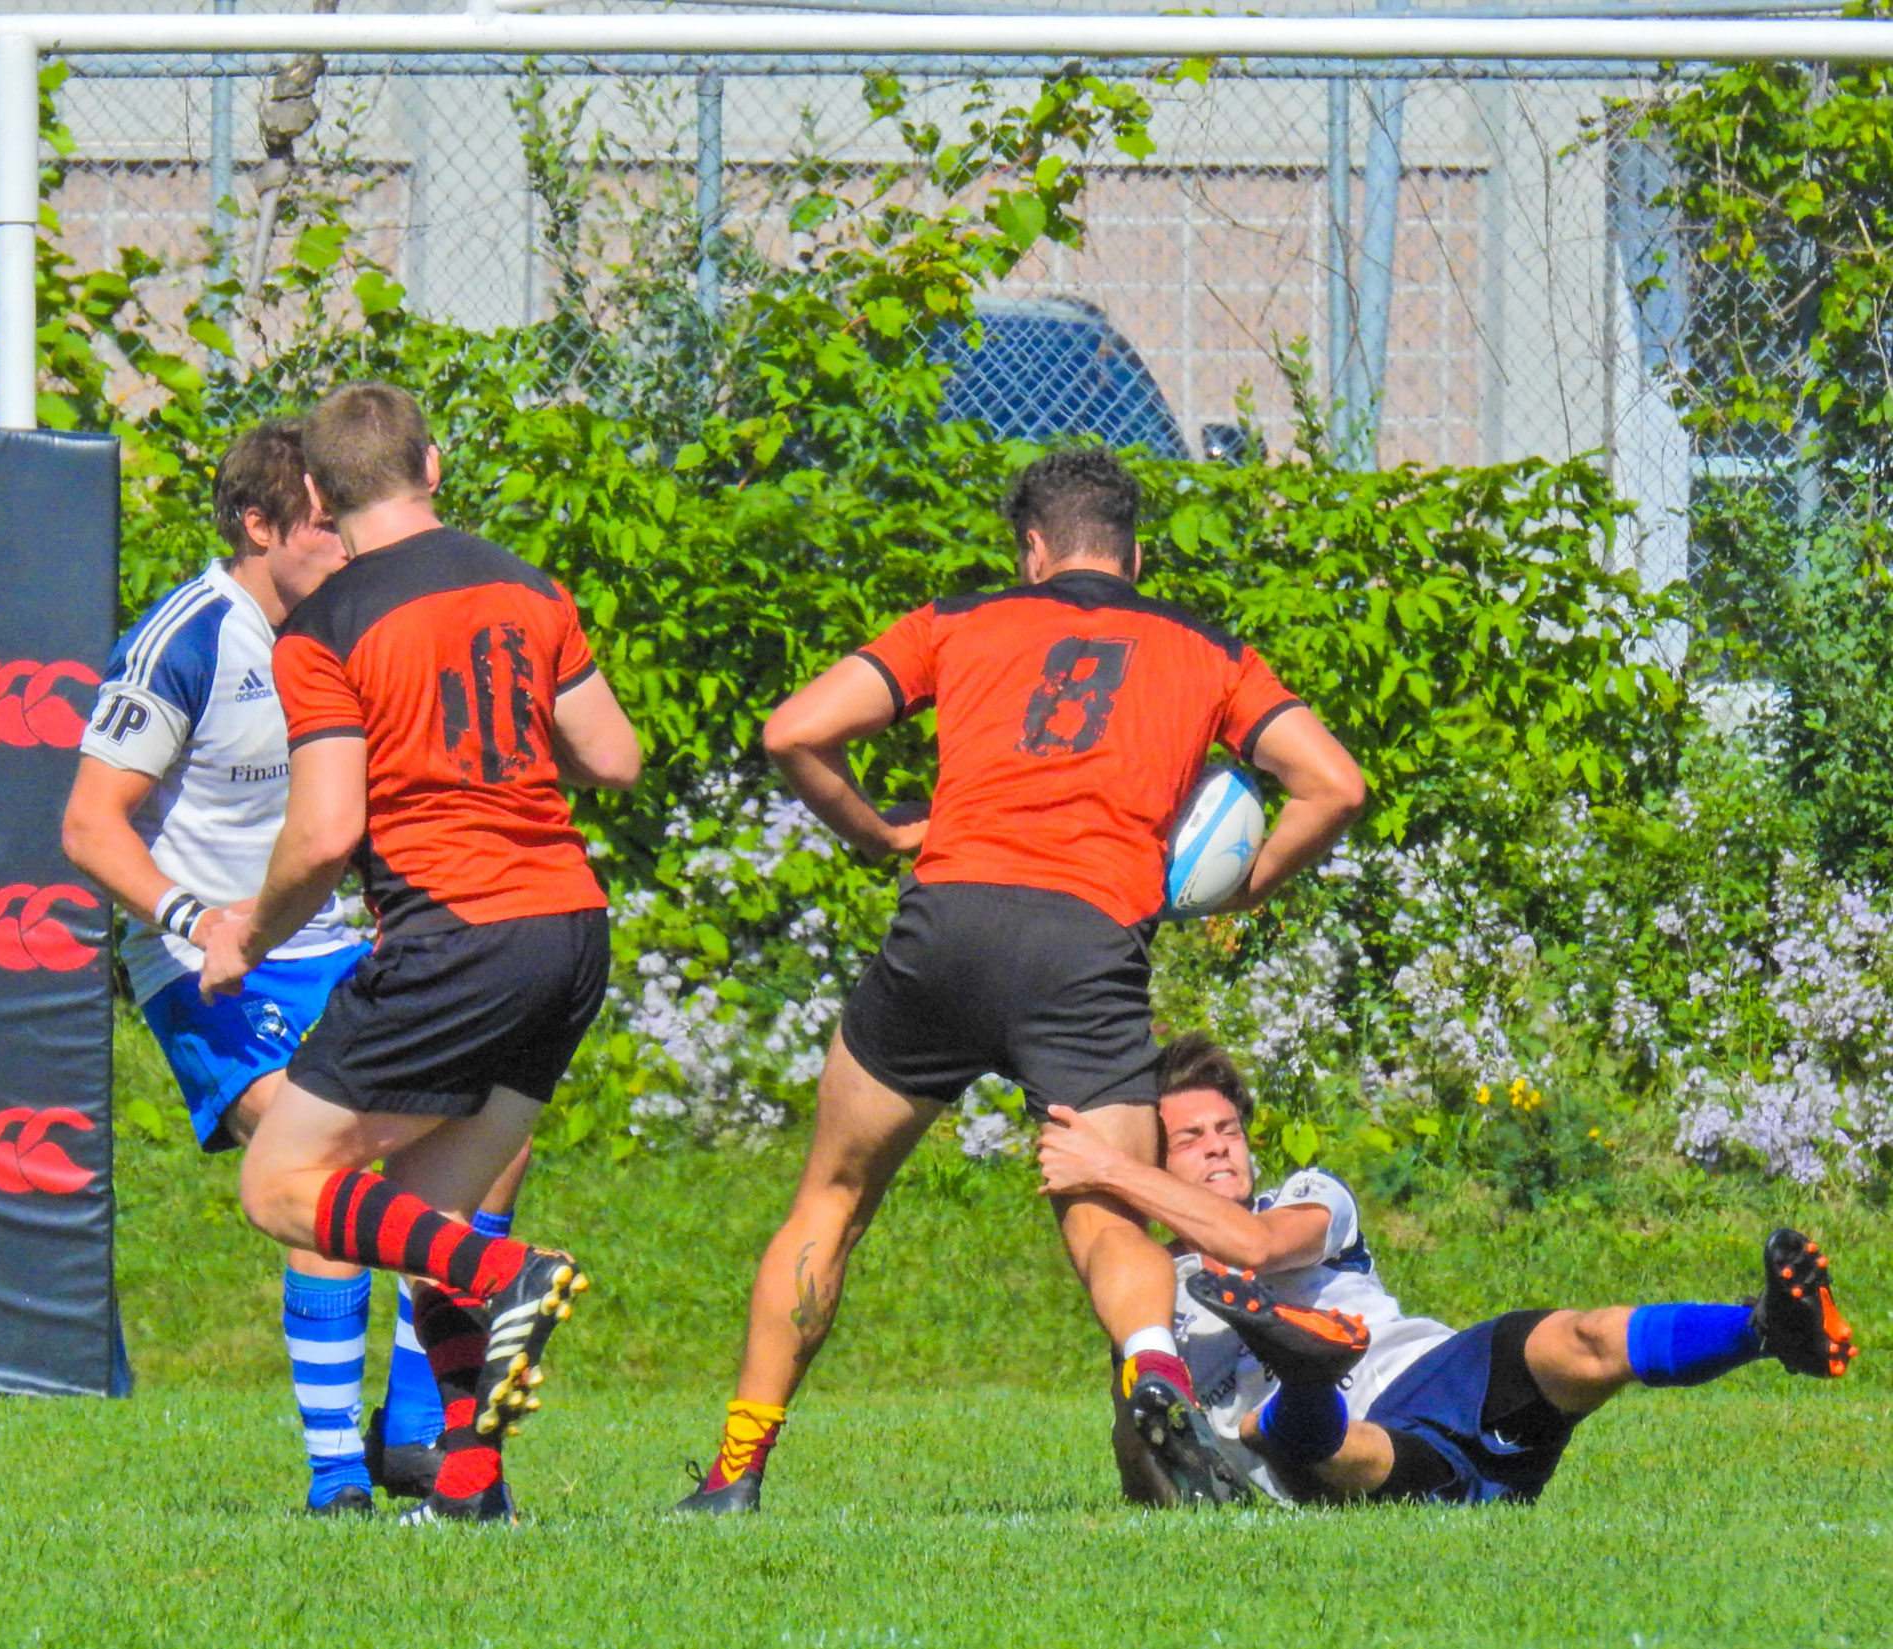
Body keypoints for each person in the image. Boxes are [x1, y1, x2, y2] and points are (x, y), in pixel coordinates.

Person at [677, 447, 1368, 1513]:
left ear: (1030, 550)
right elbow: (1333, 783)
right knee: (1105, 1218)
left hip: (944, 925)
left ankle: (734, 1471)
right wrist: (1243, 888)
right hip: (1084, 947)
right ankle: (1154, 1366)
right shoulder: (1208, 649)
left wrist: (875, 831)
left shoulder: (959, 620)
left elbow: (793, 729)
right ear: (1134, 555)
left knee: (833, 1195)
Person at [63, 419, 527, 1516]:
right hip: (210, 965)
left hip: (342, 947)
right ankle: (334, 1482)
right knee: (329, 1169)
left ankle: (416, 1434)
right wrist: (201, 919)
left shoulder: (359, 618)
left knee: (481, 1151)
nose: (349, 540)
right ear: (260, 525)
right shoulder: (188, 636)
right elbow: (89, 825)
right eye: (324, 525)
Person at [197, 382, 641, 1526]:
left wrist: (248, 931)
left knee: (281, 1183)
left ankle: (513, 1278)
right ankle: (470, 1492)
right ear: (433, 465)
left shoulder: (324, 627)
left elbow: (328, 828)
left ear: (317, 496)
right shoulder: (530, 585)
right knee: (426, 1216)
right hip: (568, 931)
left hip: (457, 928)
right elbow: (613, 754)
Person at [1036, 1032, 1860, 1508]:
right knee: (1283, 1432)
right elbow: (1147, 1458)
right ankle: (1307, 1372)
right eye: (1190, 1136)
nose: (1219, 1142)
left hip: (1426, 1364)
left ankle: (1765, 1330)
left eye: (1228, 1127)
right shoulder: (1150, 1296)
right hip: (1351, 1455)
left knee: (1579, 1337)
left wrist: (1103, 1168)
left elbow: (1255, 1248)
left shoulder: (1308, 1194)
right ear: (1155, 1155)